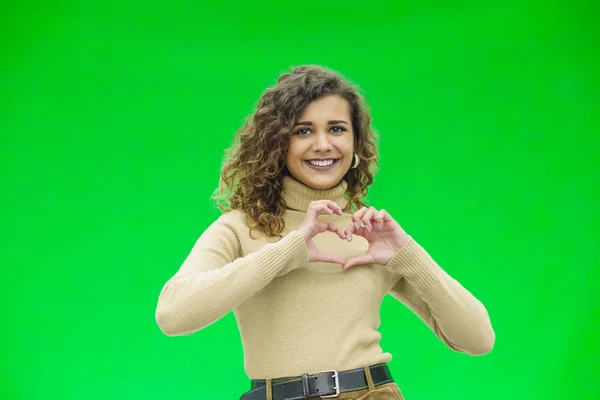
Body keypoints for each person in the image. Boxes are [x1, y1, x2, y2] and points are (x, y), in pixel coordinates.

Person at [155, 65, 495, 400]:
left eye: (337, 129)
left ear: (356, 142)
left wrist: (409, 256)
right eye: (303, 131)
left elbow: (478, 339)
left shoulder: (371, 235)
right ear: (277, 142)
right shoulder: (240, 227)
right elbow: (174, 313)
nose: (322, 144)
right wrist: (292, 250)